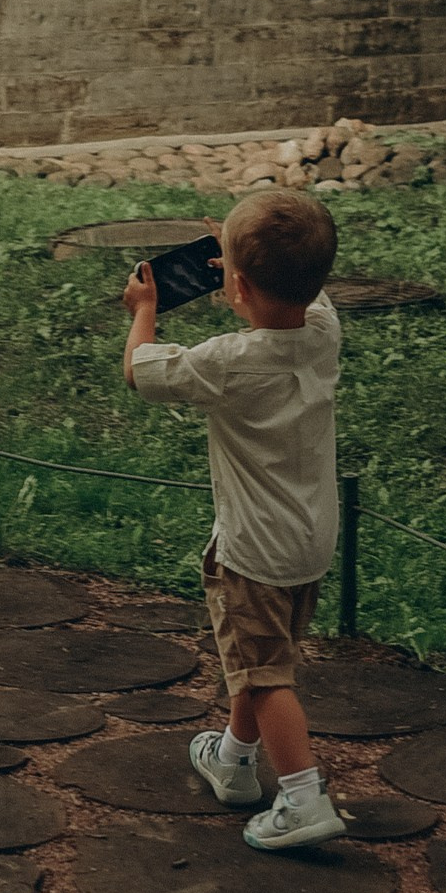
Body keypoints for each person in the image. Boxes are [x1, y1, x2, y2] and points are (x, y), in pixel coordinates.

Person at [120, 189, 347, 852]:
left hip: (252, 551)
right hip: (311, 540)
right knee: (260, 656)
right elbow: (298, 288)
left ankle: (302, 798)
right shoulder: (322, 331)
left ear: (236, 286)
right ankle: (231, 760)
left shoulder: (228, 363)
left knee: (265, 674)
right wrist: (243, 255)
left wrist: (144, 311)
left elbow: (140, 371)